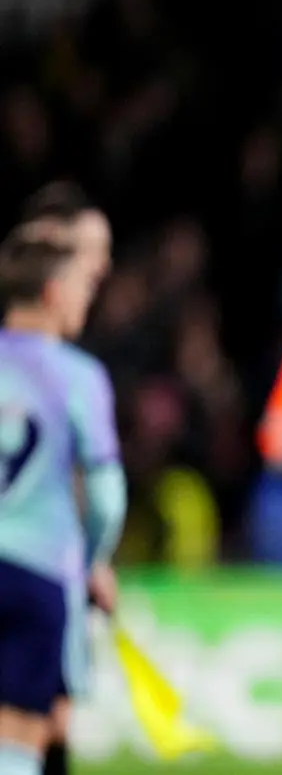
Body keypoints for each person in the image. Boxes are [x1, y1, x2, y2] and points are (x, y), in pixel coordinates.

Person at [0, 232, 128, 775]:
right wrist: (91, 560)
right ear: (53, 293)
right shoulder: (78, 375)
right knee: (21, 737)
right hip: (36, 573)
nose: (86, 300)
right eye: (80, 287)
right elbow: (106, 498)